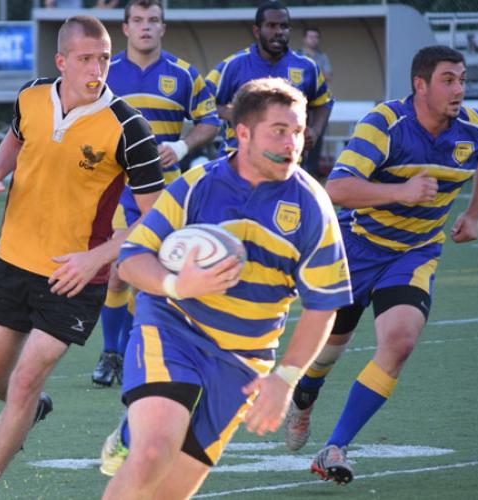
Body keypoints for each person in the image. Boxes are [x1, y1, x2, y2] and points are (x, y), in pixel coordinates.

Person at [100, 77, 352, 498]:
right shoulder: (197, 185)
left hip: (242, 359)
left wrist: (285, 379)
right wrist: (176, 283)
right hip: (174, 329)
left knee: (169, 492)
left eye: (298, 131)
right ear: (243, 133)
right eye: (279, 131)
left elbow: (322, 307)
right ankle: (139, 433)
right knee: (151, 454)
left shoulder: (313, 206)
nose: (293, 143)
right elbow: (131, 259)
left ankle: (132, 429)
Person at [283, 45, 478, 485]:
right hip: (357, 247)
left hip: (414, 254)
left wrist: (476, 211)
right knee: (331, 347)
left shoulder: (477, 129)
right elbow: (338, 188)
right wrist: (400, 193)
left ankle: (335, 448)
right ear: (419, 85)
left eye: (462, 79)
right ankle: (306, 395)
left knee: (400, 341)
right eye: (448, 80)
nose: (459, 89)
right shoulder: (385, 124)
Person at [0, 15, 164, 500]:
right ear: (61, 62)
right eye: (86, 59)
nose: (98, 69)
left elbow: (158, 219)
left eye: (104, 58)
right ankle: (31, 409)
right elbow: (15, 138)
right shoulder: (32, 95)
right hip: (11, 260)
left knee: (26, 378)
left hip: (74, 279)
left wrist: (97, 258)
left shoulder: (129, 128)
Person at [92, 0, 220, 387]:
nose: (145, 27)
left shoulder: (184, 74)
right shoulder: (105, 74)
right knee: (118, 272)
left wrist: (182, 148)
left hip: (166, 192)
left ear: (163, 27)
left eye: (153, 20)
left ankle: (135, 350)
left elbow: (210, 121)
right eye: (138, 20)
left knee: (151, 273)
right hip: (118, 188)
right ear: (125, 28)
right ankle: (110, 352)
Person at [206, 1, 332, 168]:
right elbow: (204, 102)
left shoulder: (307, 67)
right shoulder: (233, 65)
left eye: (284, 26)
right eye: (271, 26)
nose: (279, 31)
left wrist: (315, 130)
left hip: (287, 167)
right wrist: (236, 113)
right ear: (257, 31)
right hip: (238, 166)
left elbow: (324, 102)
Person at [296, 26, 332, 179]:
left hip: (317, 102)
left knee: (317, 134)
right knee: (299, 132)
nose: (313, 40)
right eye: (311, 37)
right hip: (300, 101)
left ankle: (313, 169)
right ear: (305, 39)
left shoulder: (322, 57)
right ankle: (299, 166)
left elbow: (327, 75)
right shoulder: (297, 56)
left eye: (316, 37)